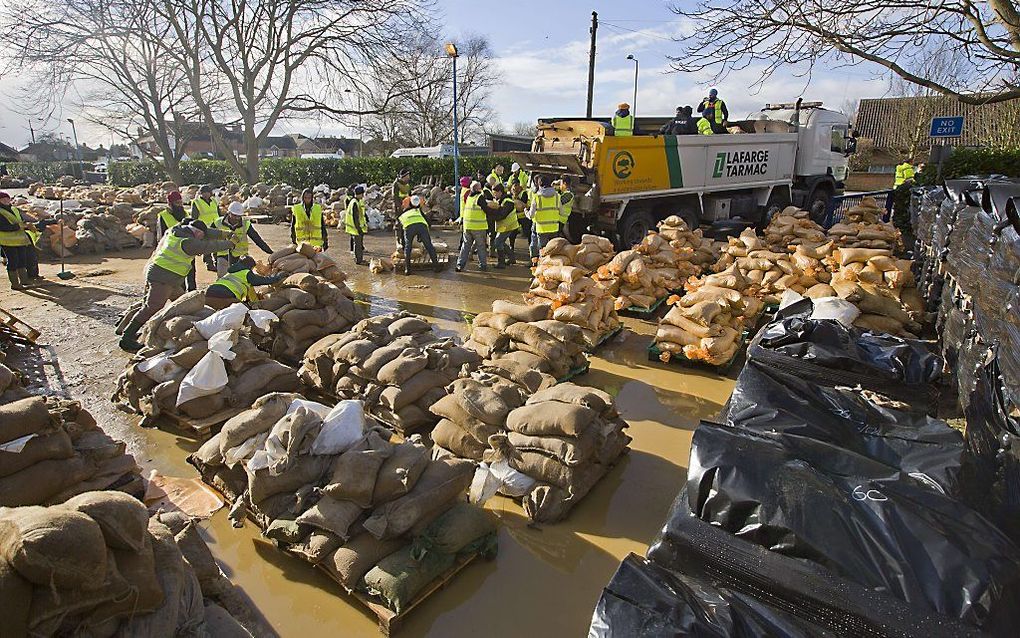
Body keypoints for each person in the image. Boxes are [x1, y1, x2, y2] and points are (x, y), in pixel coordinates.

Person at [118, 220, 233, 351]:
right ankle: (126, 338)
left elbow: (206, 232)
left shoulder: (179, 230)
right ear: (197, 233)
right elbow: (206, 246)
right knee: (152, 307)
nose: (203, 237)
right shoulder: (187, 242)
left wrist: (225, 233)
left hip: (170, 279)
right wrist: (229, 243)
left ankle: (172, 331)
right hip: (163, 278)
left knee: (183, 303)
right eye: (202, 235)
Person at [212, 201, 273, 276]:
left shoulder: (245, 223)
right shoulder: (218, 223)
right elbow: (209, 239)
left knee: (242, 277)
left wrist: (270, 252)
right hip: (223, 255)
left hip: (241, 257)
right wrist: (211, 258)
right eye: (234, 215)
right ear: (228, 213)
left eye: (239, 216)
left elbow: (257, 239)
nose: (237, 218)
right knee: (223, 277)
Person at [205, 256, 285, 310]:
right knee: (241, 310)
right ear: (250, 266)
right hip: (225, 295)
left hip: (209, 293)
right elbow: (262, 280)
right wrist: (278, 277)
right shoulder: (246, 273)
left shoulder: (231, 272)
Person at [160, 191, 197, 291]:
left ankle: (192, 293)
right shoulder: (163, 216)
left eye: (181, 202)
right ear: (170, 204)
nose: (180, 205)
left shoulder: (186, 214)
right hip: (174, 252)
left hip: (188, 248)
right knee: (178, 276)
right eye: (177, 203)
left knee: (191, 273)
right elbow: (161, 236)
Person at [398, 195, 441, 275]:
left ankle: (407, 269)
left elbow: (401, 229)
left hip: (409, 228)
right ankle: (436, 266)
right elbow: (427, 222)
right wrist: (422, 235)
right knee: (429, 246)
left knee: (408, 248)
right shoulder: (419, 211)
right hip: (422, 227)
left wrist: (402, 243)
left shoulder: (404, 213)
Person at [0, 191, 32, 291]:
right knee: (13, 261)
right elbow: (3, 227)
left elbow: (21, 220)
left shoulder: (14, 209)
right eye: (3, 199)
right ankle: (15, 283)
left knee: (22, 259)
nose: (6, 200)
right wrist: (18, 226)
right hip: (7, 241)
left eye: (7, 198)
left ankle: (24, 280)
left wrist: (28, 225)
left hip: (20, 240)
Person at [527, 176, 562, 263]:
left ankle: (542, 271)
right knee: (553, 251)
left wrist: (525, 212)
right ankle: (552, 268)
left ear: (539, 185)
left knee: (543, 252)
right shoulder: (557, 196)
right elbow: (562, 212)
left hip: (542, 229)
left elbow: (531, 215)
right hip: (554, 228)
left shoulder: (537, 197)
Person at [456, 181, 489, 272]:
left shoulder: (470, 197)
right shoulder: (480, 197)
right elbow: (486, 209)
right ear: (479, 189)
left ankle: (460, 265)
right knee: (481, 247)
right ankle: (483, 265)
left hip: (467, 226)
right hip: (478, 227)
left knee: (465, 246)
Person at [191, 184, 220, 272]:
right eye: (204, 193)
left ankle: (217, 262)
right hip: (204, 227)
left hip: (215, 226)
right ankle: (209, 263)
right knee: (207, 247)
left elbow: (218, 213)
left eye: (207, 192)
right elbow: (194, 217)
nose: (206, 194)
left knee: (216, 245)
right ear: (201, 193)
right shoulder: (197, 202)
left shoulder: (214, 201)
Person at [489, 183, 519, 268]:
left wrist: (492, 216)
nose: (494, 194)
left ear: (500, 192)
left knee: (498, 242)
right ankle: (511, 258)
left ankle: (501, 263)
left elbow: (502, 215)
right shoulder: (501, 200)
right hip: (505, 226)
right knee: (500, 242)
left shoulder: (507, 201)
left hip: (509, 226)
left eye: (495, 192)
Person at [345, 185, 367, 265]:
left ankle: (358, 259)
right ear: (360, 194)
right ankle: (359, 260)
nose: (363, 195)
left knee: (357, 244)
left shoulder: (355, 201)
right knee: (358, 245)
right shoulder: (354, 203)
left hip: (355, 228)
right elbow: (355, 218)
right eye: (362, 194)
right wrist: (359, 229)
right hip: (355, 228)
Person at [509, 181, 530, 256]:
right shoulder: (510, 194)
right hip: (515, 217)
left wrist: (515, 199)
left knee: (528, 233)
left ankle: (531, 250)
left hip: (524, 217)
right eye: (513, 186)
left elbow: (521, 206)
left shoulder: (523, 193)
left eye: (516, 186)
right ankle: (511, 248)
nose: (515, 188)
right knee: (512, 233)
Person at [391, 169, 412, 246]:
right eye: (407, 176)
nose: (409, 177)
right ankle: (398, 240)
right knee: (399, 224)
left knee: (406, 224)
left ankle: (405, 239)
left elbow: (409, 195)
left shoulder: (407, 184)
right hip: (399, 207)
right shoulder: (396, 184)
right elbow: (395, 197)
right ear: (404, 176)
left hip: (406, 207)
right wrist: (400, 206)